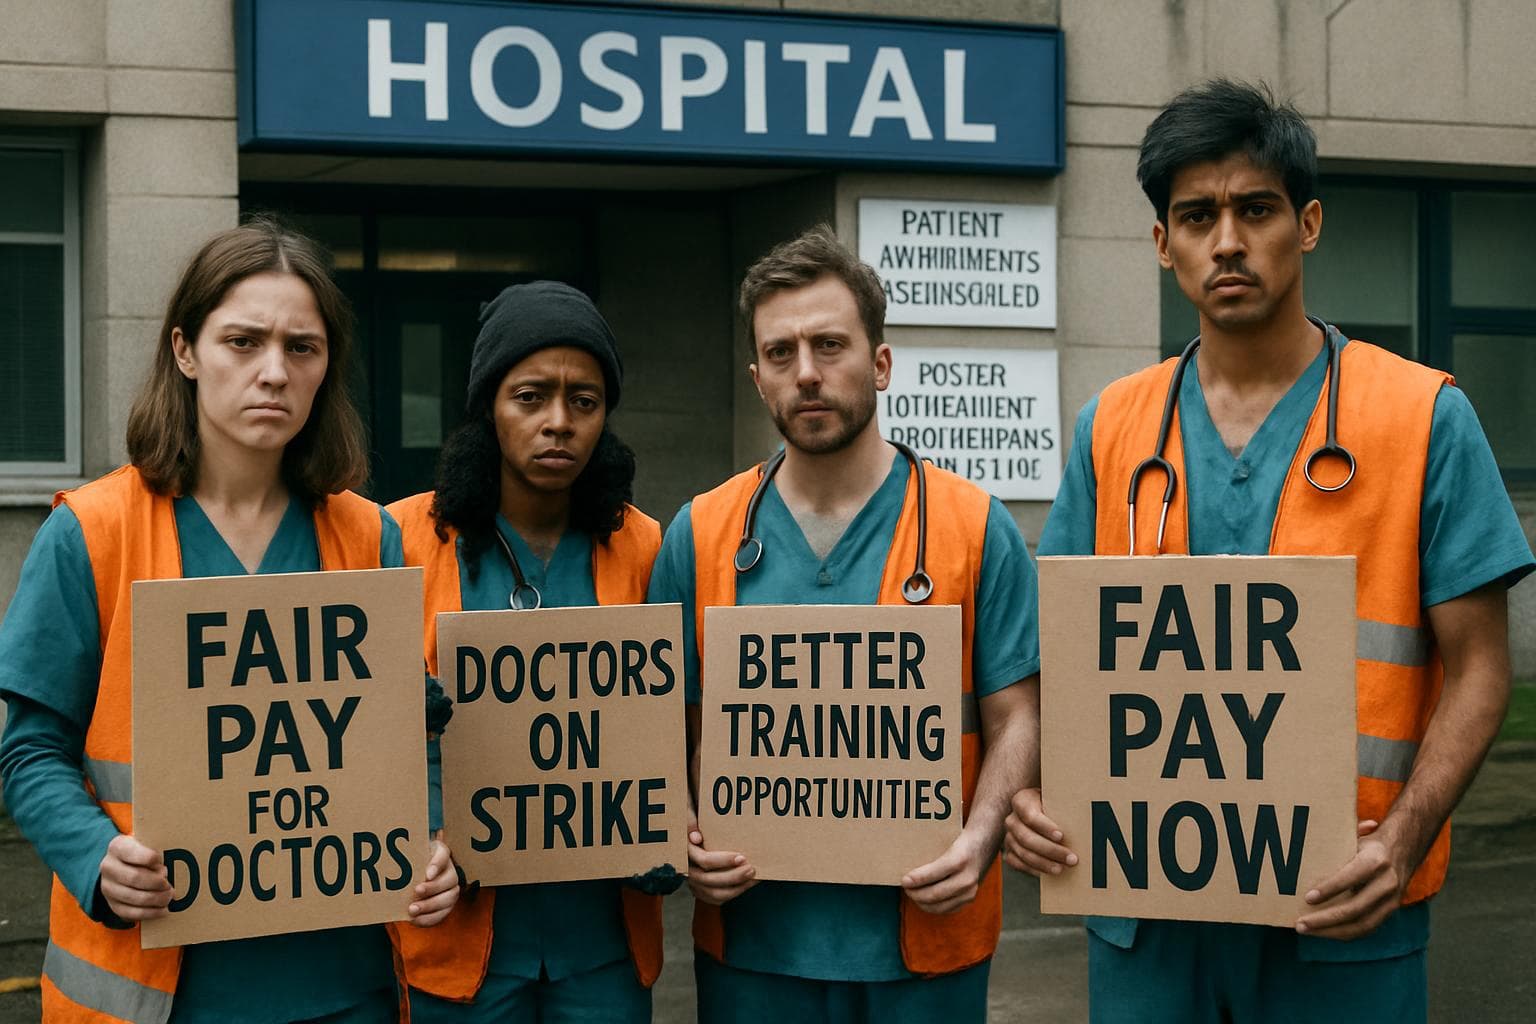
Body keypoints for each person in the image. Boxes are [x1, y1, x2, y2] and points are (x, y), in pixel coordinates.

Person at [1004, 79, 1535, 1023]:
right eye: (1196, 216)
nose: (1228, 241)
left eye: (1257, 209)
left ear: (1310, 223)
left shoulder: (1421, 417)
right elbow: (1058, 661)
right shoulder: (1111, 429)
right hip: (1145, 913)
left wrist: (1404, 841)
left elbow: (1482, 669)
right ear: (1163, 243)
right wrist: (1030, 794)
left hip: (1342, 903)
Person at [0, 219, 460, 1024]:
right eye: (243, 342)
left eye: (302, 348)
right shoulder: (93, 532)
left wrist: (428, 841)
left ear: (327, 367)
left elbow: (407, 731)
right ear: (186, 351)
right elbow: (30, 749)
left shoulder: (370, 535)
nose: (274, 373)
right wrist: (94, 856)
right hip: (161, 988)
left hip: (343, 982)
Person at [647, 226, 1041, 1024]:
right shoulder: (702, 533)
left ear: (881, 363)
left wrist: (982, 836)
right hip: (758, 947)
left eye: (830, 344)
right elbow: (664, 728)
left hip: (926, 942)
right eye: (781, 353)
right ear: (758, 378)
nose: (808, 373)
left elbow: (1018, 715)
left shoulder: (972, 526)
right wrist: (679, 830)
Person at [389, 281, 673, 1024]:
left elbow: (688, 722)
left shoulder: (649, 548)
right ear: (489, 406)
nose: (558, 423)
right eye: (530, 396)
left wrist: (678, 823)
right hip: (453, 946)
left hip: (603, 947)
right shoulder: (396, 543)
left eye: (584, 401)